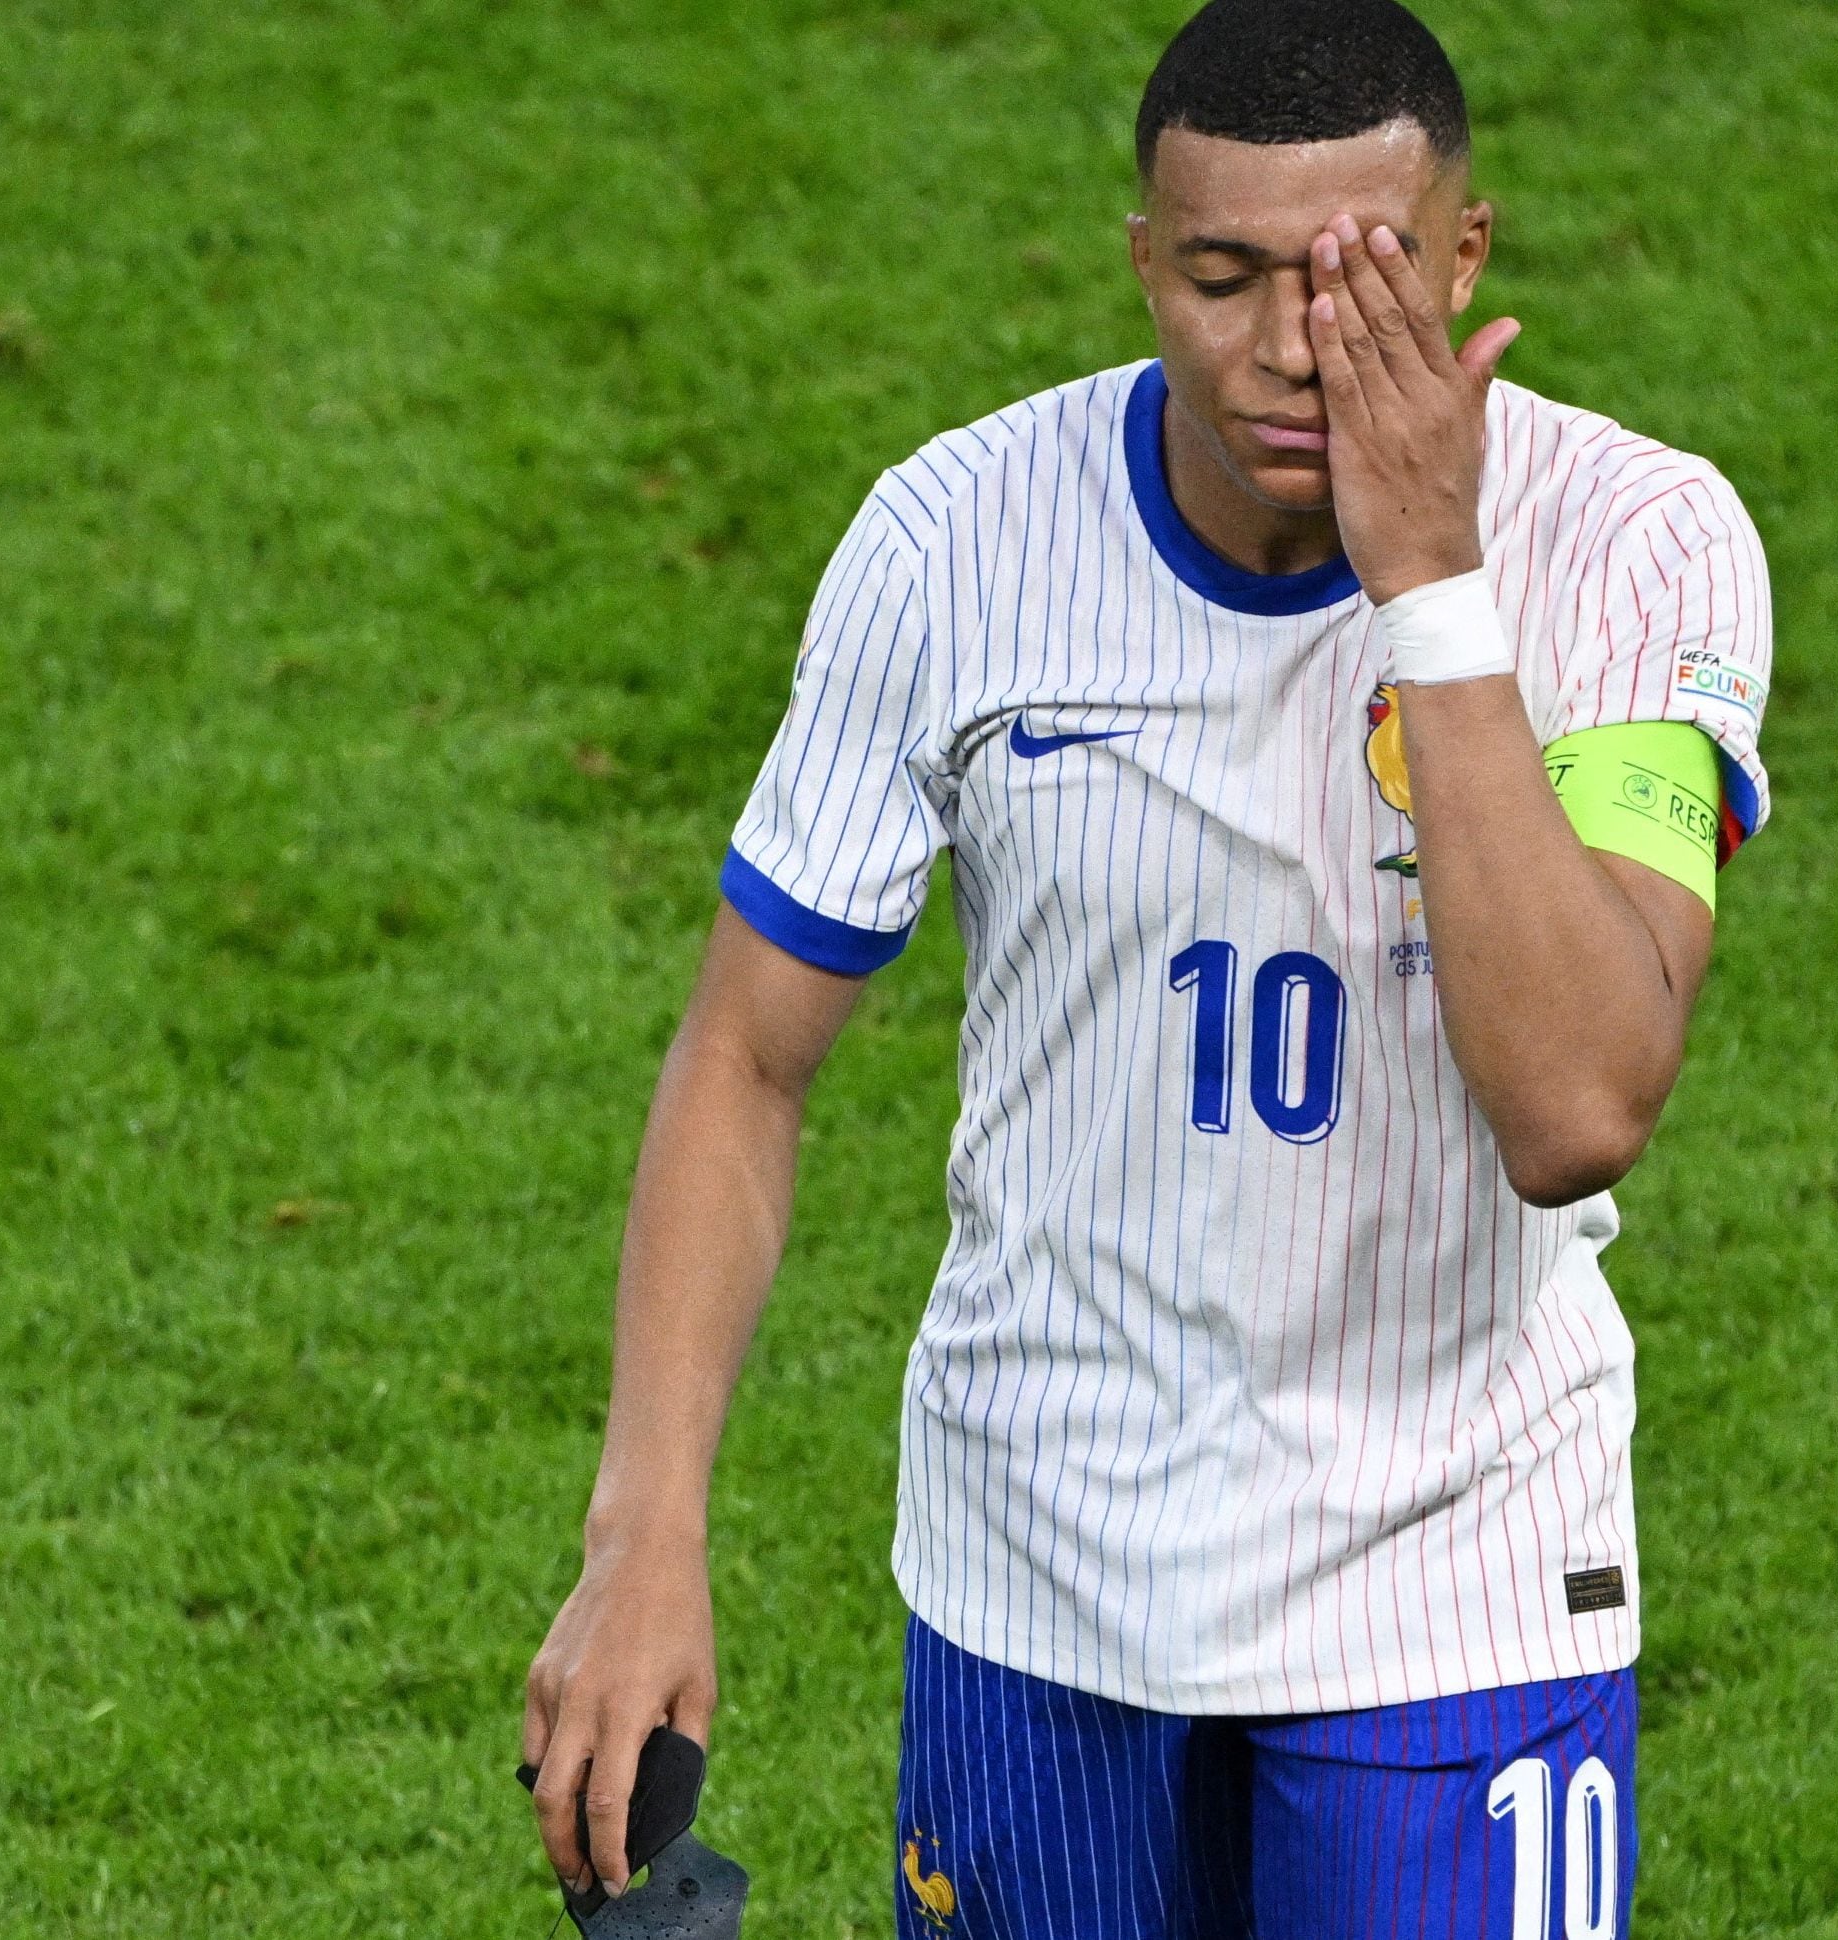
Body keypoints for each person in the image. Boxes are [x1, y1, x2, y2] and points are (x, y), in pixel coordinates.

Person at [524, 1, 1774, 1932]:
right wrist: (642, 1528)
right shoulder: (954, 541)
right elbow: (748, 1057)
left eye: (1355, 278)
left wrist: (1431, 586)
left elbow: (1579, 1102)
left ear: (1464, 256)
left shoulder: (1628, 542)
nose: (1288, 349)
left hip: (1454, 1606)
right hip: (1037, 1591)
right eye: (1222, 275)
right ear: (1139, 263)